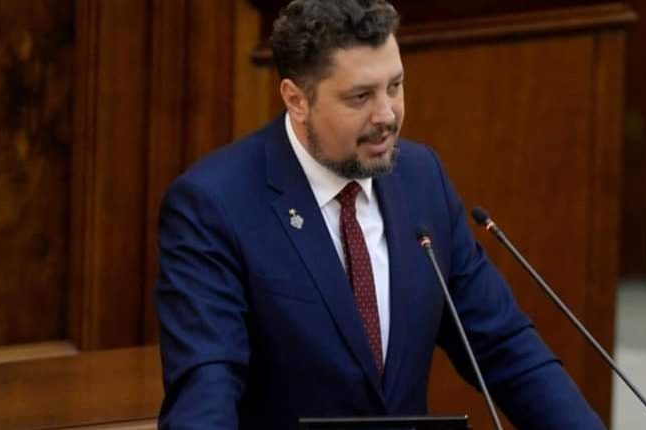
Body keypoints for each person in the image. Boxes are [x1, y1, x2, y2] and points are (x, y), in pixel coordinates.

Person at [155, 0, 605, 428]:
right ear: (296, 99)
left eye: (395, 86)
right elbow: (205, 389)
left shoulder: (422, 179)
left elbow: (503, 346)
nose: (387, 115)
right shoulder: (214, 205)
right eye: (360, 97)